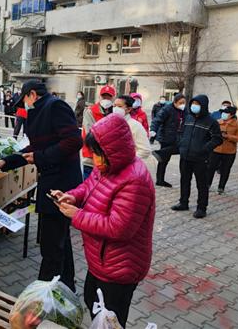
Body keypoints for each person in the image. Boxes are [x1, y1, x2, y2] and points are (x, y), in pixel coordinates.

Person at [51, 113, 155, 329]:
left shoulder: (134, 180)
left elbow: (119, 228)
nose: (95, 160)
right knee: (94, 303)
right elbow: (88, 187)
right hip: (101, 260)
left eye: (99, 154)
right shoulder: (107, 167)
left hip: (120, 265)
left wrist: (76, 215)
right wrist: (73, 196)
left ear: (113, 151)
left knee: (111, 319)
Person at [0, 80, 83, 292]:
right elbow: (34, 148)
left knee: (51, 243)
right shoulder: (40, 110)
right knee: (59, 240)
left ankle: (45, 293)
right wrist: (7, 162)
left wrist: (39, 157)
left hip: (62, 184)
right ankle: (66, 285)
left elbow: (74, 142)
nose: (23, 105)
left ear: (33, 94)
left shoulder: (55, 106)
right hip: (52, 180)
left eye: (24, 99)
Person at [171, 95, 223, 219]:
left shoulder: (211, 122)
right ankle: (183, 203)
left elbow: (217, 139)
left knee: (202, 184)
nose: (194, 106)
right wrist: (181, 143)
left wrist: (204, 149)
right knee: (184, 181)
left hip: (200, 159)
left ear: (203, 105)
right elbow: (180, 131)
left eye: (197, 104)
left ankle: (201, 208)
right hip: (185, 156)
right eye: (193, 103)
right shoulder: (188, 117)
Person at [150, 93, 187, 188]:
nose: (182, 104)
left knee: (178, 150)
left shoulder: (184, 110)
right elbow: (157, 120)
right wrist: (153, 129)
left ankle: (159, 152)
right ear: (174, 102)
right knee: (164, 160)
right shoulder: (167, 109)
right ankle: (160, 180)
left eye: (184, 102)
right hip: (166, 136)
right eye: (180, 102)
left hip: (178, 137)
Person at [208, 106, 238, 194]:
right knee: (210, 168)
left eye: (226, 113)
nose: (223, 114)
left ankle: (221, 187)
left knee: (225, 170)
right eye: (223, 113)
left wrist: (229, 137)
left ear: (231, 115)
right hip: (216, 150)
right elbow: (210, 133)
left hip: (229, 152)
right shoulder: (217, 122)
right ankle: (207, 185)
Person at [82, 86, 115, 180]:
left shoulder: (115, 112)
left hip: (109, 158)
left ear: (113, 98)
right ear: (99, 97)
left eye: (109, 97)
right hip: (92, 156)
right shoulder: (91, 111)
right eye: (104, 97)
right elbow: (91, 134)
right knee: (89, 186)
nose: (106, 100)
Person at [113, 96, 152, 160]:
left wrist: (127, 161)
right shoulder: (110, 123)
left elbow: (145, 150)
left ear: (129, 109)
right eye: (114, 106)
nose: (116, 109)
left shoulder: (135, 126)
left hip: (127, 166)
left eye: (120, 106)